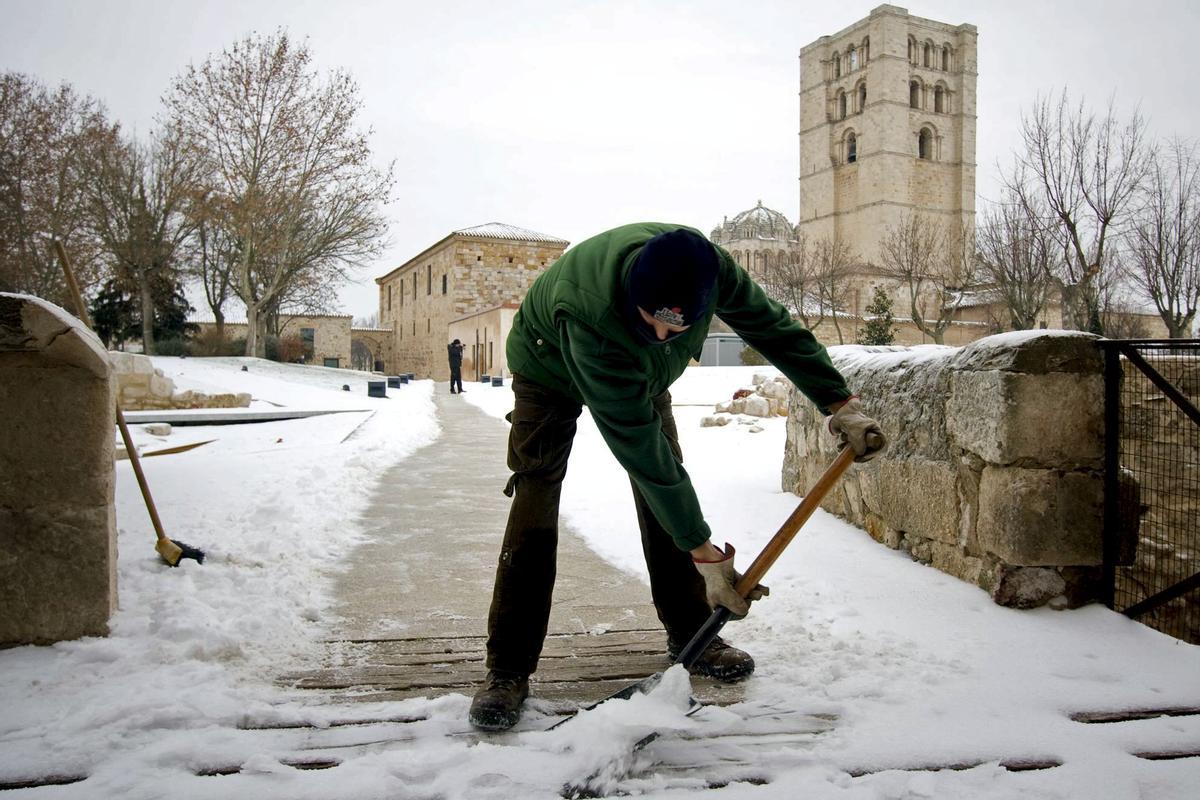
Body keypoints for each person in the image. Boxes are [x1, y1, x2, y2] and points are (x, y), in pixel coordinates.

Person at [468, 223, 886, 731]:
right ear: (630, 295)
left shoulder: (711, 272)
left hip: (643, 373)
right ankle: (507, 669)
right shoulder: (591, 316)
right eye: (653, 322)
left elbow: (773, 329)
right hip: (548, 368)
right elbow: (646, 460)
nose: (665, 335)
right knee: (537, 499)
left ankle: (693, 633)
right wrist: (704, 552)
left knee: (664, 500)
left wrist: (838, 402)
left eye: (677, 329)